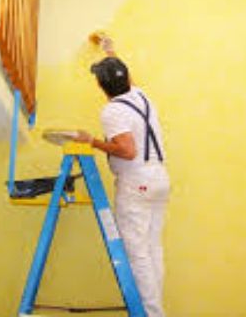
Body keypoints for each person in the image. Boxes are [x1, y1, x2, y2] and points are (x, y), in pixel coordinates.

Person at [75, 33, 170, 317]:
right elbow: (122, 73)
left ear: (100, 86)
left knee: (136, 252)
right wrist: (109, 51)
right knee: (152, 248)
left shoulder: (112, 111)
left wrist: (92, 141)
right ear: (126, 78)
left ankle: (150, 314)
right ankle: (156, 311)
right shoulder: (141, 96)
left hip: (137, 182)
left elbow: (127, 150)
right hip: (159, 178)